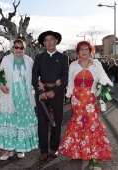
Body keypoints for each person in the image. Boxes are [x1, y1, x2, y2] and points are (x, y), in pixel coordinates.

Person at [58, 41, 113, 170]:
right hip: (77, 101)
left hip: (92, 101)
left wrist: (104, 86)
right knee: (79, 124)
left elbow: (105, 79)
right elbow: (70, 82)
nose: (84, 51)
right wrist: (69, 94)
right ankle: (78, 151)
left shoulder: (97, 64)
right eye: (81, 49)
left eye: (86, 49)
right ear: (78, 52)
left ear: (90, 51)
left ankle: (94, 158)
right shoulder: (73, 65)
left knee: (92, 126)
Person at [0, 39, 38, 161]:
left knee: (22, 122)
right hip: (10, 95)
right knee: (11, 121)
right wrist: (2, 85)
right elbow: (0, 74)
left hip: (24, 96)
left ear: (24, 49)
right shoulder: (6, 60)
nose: (18, 49)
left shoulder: (29, 61)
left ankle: (20, 147)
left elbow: (35, 76)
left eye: (21, 47)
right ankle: (9, 149)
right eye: (16, 47)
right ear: (12, 48)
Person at [32, 30, 69, 161]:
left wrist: (54, 91)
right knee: (42, 122)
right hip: (42, 94)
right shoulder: (39, 58)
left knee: (57, 122)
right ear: (43, 43)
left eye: (51, 39)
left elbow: (65, 78)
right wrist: (41, 92)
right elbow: (34, 76)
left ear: (56, 41)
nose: (49, 42)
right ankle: (43, 151)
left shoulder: (64, 58)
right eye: (46, 40)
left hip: (57, 94)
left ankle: (53, 149)